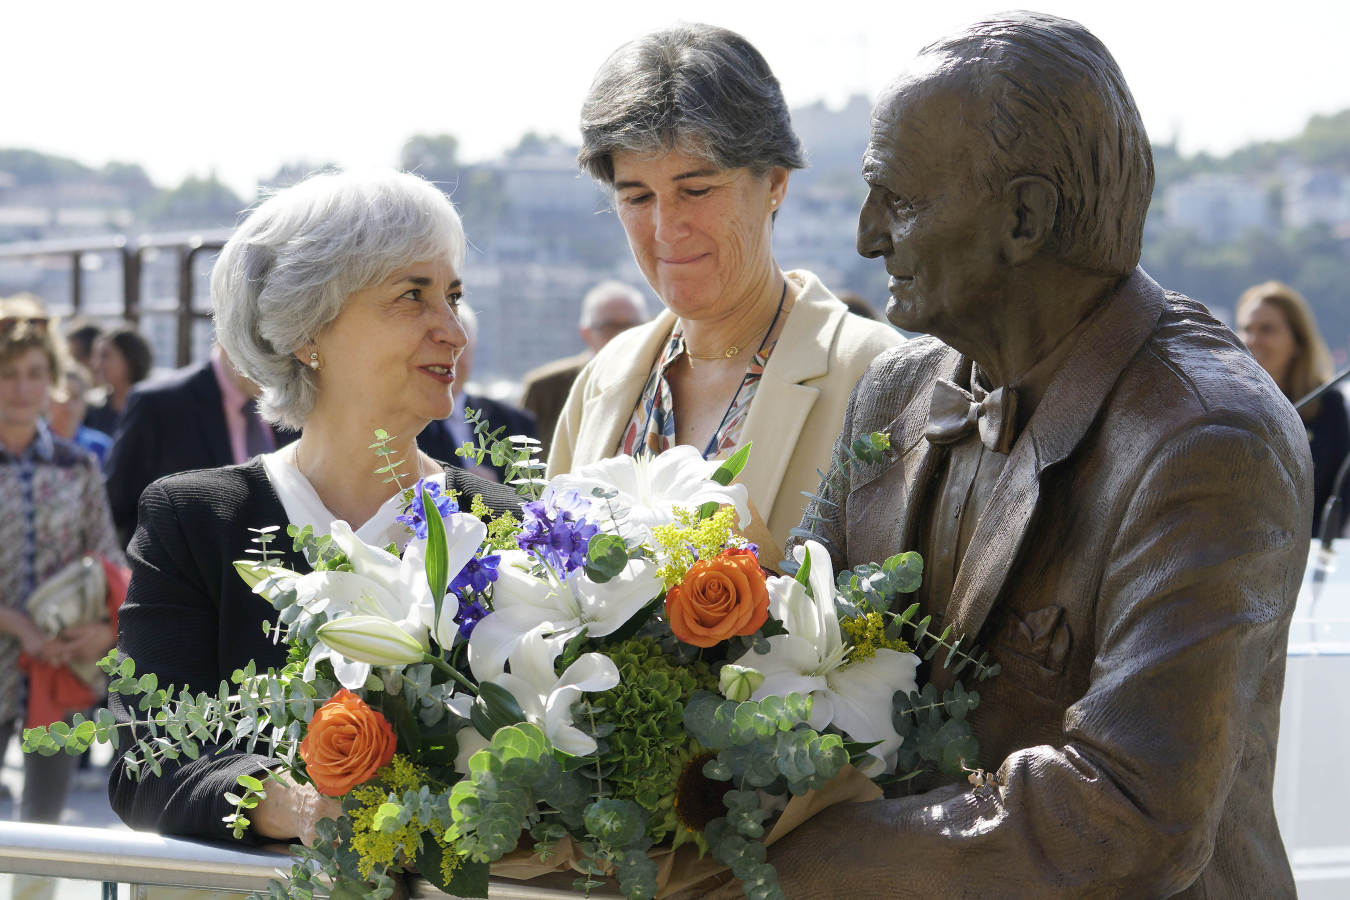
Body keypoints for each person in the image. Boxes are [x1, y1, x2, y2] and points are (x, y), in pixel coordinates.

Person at [749, 13, 1311, 898]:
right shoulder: (896, 391)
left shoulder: (1208, 443)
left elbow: (1128, 811)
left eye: (897, 199)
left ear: (1024, 217)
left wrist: (788, 859)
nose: (865, 235)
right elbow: (789, 631)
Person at [108, 169, 520, 847]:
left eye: (452, 295)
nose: (451, 330)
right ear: (308, 331)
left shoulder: (501, 521)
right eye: (412, 296)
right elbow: (144, 760)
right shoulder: (196, 521)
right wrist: (294, 808)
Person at [550, 24, 904, 550]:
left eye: (695, 190)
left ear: (775, 183)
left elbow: (912, 616)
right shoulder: (602, 381)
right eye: (638, 198)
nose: (667, 229)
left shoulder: (879, 376)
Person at [0, 294, 124, 824]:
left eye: (34, 373)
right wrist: (16, 625)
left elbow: (109, 557)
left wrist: (103, 630)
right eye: (8, 374)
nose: (23, 388)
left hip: (59, 666)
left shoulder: (77, 466)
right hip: (10, 655)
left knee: (45, 829)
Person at [103, 342, 299, 547]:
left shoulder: (296, 403)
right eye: (264, 345)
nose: (277, 362)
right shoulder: (159, 405)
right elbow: (115, 506)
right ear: (227, 335)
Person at [1237, 280, 1349, 537]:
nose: (1253, 340)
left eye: (1267, 329)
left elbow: (1341, 492)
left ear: (1297, 341)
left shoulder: (1328, 405)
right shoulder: (1221, 404)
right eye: (1246, 328)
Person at [520, 280, 649, 457]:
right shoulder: (545, 389)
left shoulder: (660, 381)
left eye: (631, 326)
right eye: (609, 327)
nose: (621, 335)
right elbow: (519, 458)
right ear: (585, 333)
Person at [416, 303, 537, 482]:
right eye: (437, 345)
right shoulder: (398, 428)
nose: (448, 358)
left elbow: (533, 497)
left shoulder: (516, 423)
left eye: (456, 346)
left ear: (473, 347)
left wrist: (496, 494)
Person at [85, 322, 153, 435]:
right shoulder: (91, 409)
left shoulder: (150, 409)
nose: (96, 364)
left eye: (105, 356)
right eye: (95, 356)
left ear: (130, 359)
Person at [47, 362, 114, 469]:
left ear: (85, 403)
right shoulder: (35, 443)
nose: (68, 403)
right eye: (62, 395)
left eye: (75, 397)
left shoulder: (101, 446)